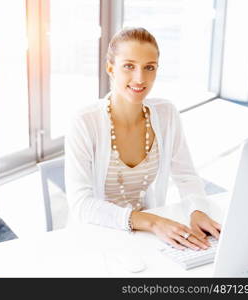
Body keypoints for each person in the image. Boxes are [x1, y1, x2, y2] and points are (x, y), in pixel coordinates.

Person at [64, 27, 221, 250]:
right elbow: (81, 205)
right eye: (129, 66)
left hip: (146, 238)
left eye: (149, 68)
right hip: (98, 235)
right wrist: (154, 222)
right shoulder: (84, 122)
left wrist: (197, 210)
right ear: (111, 68)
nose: (140, 78)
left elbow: (186, 177)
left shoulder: (166, 113)